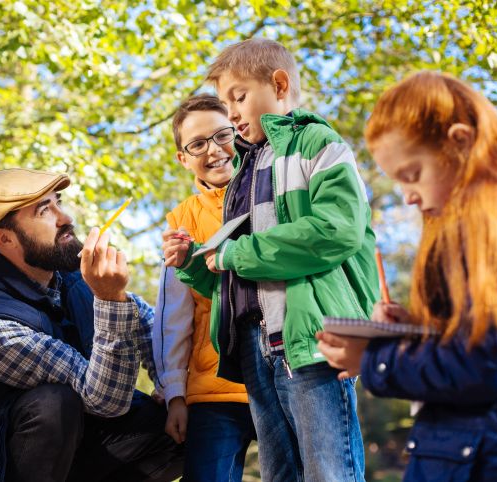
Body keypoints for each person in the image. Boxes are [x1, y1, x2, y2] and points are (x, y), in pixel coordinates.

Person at [162, 38, 379, 481]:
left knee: (328, 470)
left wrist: (235, 253)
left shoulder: (316, 142)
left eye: (237, 98)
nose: (232, 112)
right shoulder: (246, 172)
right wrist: (193, 264)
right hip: (255, 351)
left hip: (310, 343)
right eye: (226, 102)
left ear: (279, 84)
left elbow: (336, 230)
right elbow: (235, 280)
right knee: (280, 474)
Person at [0, 168, 183, 482]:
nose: (65, 218)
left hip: (68, 452)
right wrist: (110, 299)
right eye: (44, 211)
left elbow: (153, 331)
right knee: (54, 404)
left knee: (182, 423)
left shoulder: (74, 278)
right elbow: (105, 401)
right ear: (5, 239)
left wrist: (174, 391)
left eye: (58, 202)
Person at [317, 71, 497, 481]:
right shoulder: (460, 232)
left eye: (412, 174)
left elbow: (487, 365)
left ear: (461, 141)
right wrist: (417, 332)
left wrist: (373, 360)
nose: (407, 195)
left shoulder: (488, 232)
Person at [153, 93, 255, 481]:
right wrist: (175, 392)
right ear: (183, 157)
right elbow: (173, 316)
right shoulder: (182, 220)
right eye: (197, 144)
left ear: (238, 130)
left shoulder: (272, 192)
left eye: (221, 135)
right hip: (213, 390)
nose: (213, 150)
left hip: (281, 379)